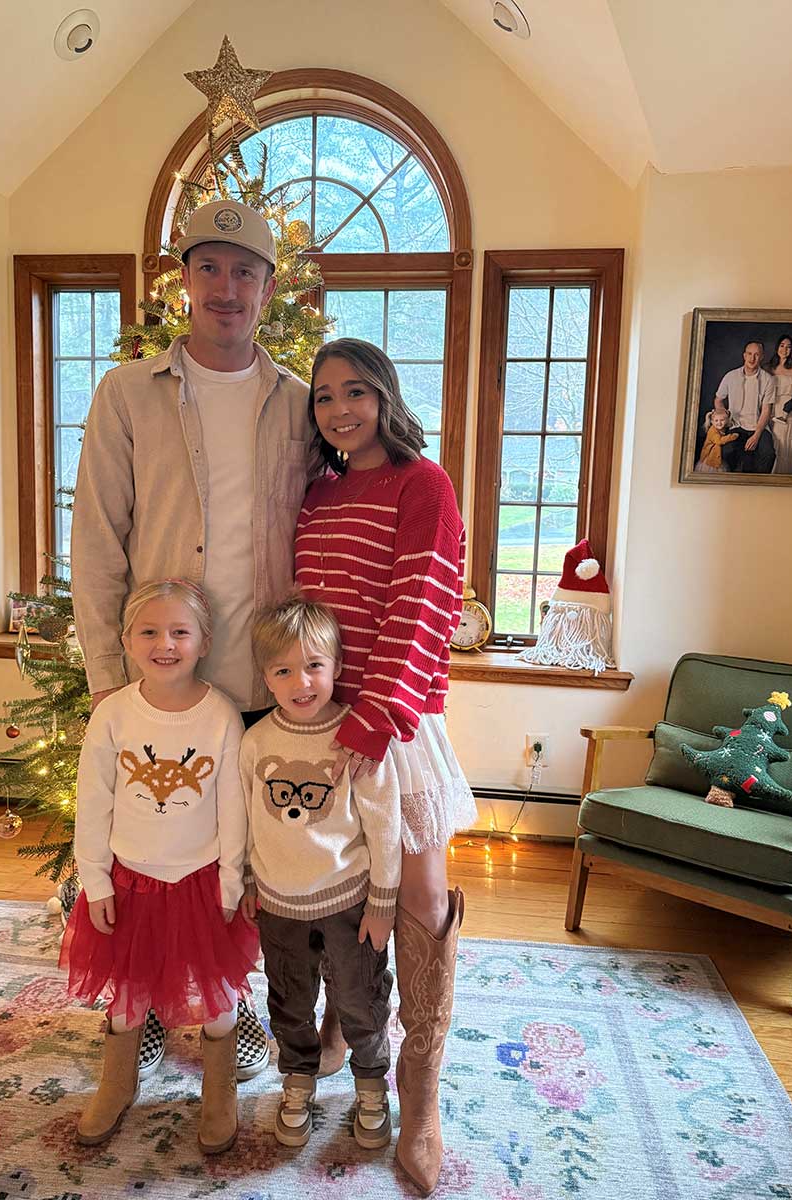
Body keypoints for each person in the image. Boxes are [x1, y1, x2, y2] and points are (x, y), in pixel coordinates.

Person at [70, 197, 311, 1080]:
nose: (225, 286)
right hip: (159, 684)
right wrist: (107, 680)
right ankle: (144, 1010)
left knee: (246, 862)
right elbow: (97, 539)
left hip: (264, 686)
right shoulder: (128, 392)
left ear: (268, 288)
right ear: (184, 280)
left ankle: (229, 1004)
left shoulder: (299, 402)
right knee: (151, 850)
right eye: (208, 266)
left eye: (244, 270)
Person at [295, 337, 477, 1195]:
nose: (340, 409)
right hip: (320, 723)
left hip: (394, 727)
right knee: (337, 885)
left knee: (419, 895)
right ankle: (342, 1021)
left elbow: (424, 609)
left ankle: (421, 1084)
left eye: (356, 392)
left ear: (386, 397)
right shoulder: (317, 493)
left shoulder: (424, 484)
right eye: (324, 396)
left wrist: (371, 722)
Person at [60, 579, 258, 1152]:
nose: (164, 643)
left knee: (218, 993)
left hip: (201, 882)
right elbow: (93, 800)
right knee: (128, 988)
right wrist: (95, 880)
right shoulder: (114, 714)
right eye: (149, 631)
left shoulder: (220, 715)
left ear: (204, 641)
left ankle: (219, 1092)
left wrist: (230, 880)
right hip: (130, 882)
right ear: (125, 640)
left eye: (179, 632)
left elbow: (233, 807)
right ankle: (117, 1083)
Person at [235, 596, 401, 1150]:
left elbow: (383, 823)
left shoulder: (355, 737)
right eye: (284, 670)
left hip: (348, 899)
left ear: (336, 667)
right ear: (266, 677)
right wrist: (246, 880)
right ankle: (298, 1077)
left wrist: (382, 901)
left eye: (314, 666)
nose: (301, 681)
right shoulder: (255, 742)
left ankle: (373, 1083)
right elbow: (244, 816)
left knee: (358, 995)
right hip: (278, 902)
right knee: (289, 995)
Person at [713, 340, 776, 473]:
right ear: (744, 355)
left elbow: (766, 411)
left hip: (758, 426)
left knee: (768, 454)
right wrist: (721, 411)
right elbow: (718, 399)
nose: (752, 358)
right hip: (735, 425)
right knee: (727, 451)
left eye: (757, 355)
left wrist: (756, 435)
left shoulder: (768, 379)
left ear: (762, 357)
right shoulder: (731, 376)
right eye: (749, 354)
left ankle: (758, 487)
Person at [767, 334, 792, 474]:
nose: (785, 349)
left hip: (788, 410)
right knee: (772, 441)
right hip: (771, 408)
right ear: (777, 348)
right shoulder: (768, 367)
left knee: (785, 442)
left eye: (788, 347)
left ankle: (784, 475)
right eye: (782, 345)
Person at [694, 408, 739, 473]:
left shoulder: (722, 428)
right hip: (710, 458)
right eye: (716, 420)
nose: (719, 423)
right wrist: (732, 436)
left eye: (722, 420)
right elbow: (719, 441)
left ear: (726, 420)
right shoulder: (712, 431)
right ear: (712, 422)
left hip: (716, 454)